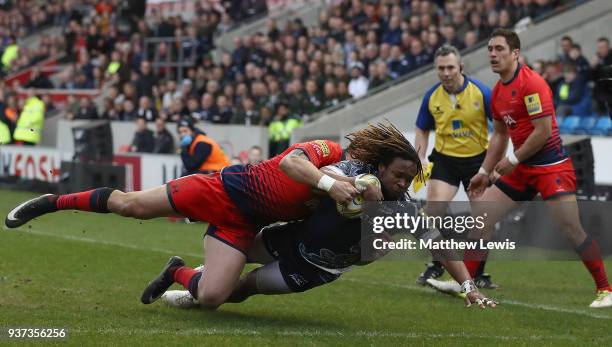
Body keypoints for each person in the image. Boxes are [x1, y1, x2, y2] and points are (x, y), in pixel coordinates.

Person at [151, 123, 496, 309]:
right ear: (380, 167)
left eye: (408, 179)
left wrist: (468, 286)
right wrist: (343, 186)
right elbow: (316, 174)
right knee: (219, 285)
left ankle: (185, 276)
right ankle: (192, 278)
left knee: (239, 291)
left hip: (315, 268)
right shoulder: (353, 172)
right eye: (398, 175)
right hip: (289, 236)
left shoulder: (404, 210)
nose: (403, 183)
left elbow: (439, 245)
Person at [5, 129, 360, 310]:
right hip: (220, 190)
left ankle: (176, 271)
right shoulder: (329, 150)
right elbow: (289, 163)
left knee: (212, 297)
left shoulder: (356, 192)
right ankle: (52, 202)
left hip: (241, 224)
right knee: (131, 206)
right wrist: (330, 182)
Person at [428, 29, 612, 308]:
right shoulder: (498, 92)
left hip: (551, 167)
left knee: (570, 227)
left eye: (499, 49)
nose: (492, 53)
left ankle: (605, 290)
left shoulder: (532, 83)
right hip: (523, 168)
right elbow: (500, 136)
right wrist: (483, 172)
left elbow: (542, 131)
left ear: (515, 53)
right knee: (483, 218)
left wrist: (512, 161)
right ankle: (464, 282)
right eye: (490, 49)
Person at [413, 45, 496, 289]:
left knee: (483, 220)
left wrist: (494, 162)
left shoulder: (481, 92)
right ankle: (438, 263)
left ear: (460, 67)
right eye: (441, 68)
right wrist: (421, 158)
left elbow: (501, 127)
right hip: (446, 162)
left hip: (477, 162)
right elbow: (422, 128)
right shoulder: (431, 96)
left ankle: (479, 272)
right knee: (433, 213)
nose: (446, 72)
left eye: (450, 67)